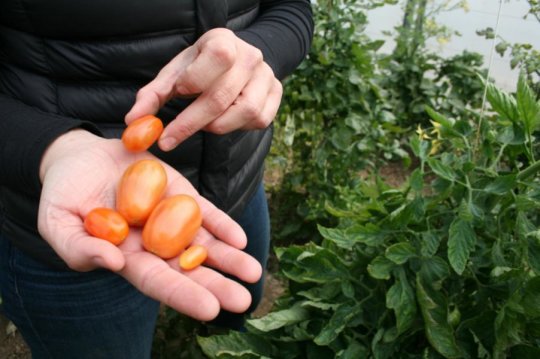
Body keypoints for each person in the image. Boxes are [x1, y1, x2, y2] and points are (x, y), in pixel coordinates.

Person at [0, 1, 314, 358]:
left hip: (236, 185)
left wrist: (262, 51)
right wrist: (49, 146)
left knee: (236, 317)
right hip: (60, 226)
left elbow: (291, 7)